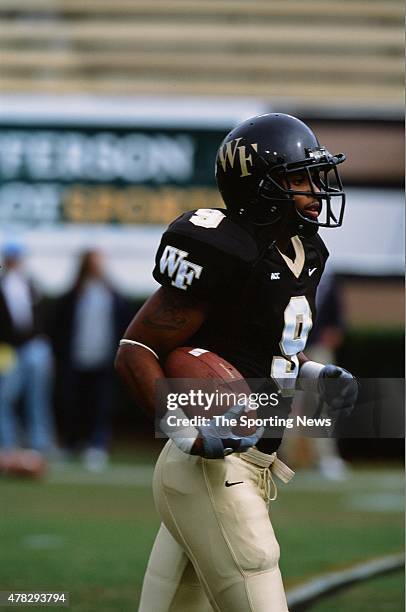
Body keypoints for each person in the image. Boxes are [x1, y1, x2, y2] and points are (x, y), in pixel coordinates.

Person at [115, 113, 358, 612]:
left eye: (315, 174)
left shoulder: (305, 249)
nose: (315, 189)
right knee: (258, 582)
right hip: (210, 467)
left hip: (246, 464)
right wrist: (184, 428)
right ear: (258, 187)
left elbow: (266, 348)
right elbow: (136, 350)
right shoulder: (223, 246)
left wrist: (310, 372)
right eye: (298, 178)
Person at [51, 249, 129, 471]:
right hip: (75, 359)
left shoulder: (113, 295)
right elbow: (59, 328)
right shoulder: (73, 295)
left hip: (104, 360)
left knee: (101, 404)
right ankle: (71, 443)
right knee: (72, 403)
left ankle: (97, 445)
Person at [0, 242, 54, 455]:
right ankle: (8, 443)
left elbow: (41, 318)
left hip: (34, 348)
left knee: (38, 397)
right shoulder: (5, 284)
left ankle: (39, 443)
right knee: (5, 397)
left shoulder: (31, 284)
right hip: (9, 350)